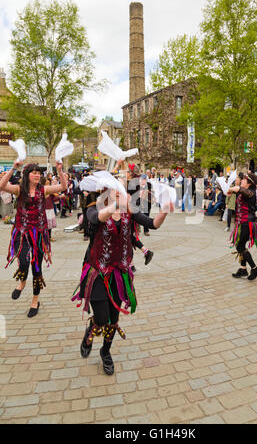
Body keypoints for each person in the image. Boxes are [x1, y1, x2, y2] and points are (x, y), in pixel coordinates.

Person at [72, 182, 173, 375]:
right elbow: (97, 218)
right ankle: (91, 330)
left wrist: (166, 210)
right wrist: (114, 205)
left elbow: (153, 224)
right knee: (101, 318)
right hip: (98, 273)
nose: (121, 193)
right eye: (116, 190)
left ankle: (105, 352)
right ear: (106, 192)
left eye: (122, 190)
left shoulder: (129, 211)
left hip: (119, 273)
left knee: (114, 318)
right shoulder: (95, 208)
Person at [0, 160, 67, 317]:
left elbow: (63, 187)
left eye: (39, 173)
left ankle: (35, 300)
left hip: (38, 234)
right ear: (27, 174)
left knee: (37, 268)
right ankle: (22, 282)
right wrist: (13, 168)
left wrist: (60, 170)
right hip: (21, 232)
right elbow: (2, 186)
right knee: (23, 261)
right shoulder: (19, 190)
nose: (37, 175)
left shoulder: (43, 190)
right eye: (34, 172)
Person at [228, 172, 257, 281]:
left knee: (240, 247)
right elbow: (235, 192)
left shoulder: (251, 193)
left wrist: (234, 188)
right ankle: (243, 269)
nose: (241, 180)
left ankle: (254, 268)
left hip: (247, 224)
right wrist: (230, 191)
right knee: (240, 245)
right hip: (241, 223)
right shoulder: (244, 192)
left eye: (243, 180)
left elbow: (241, 190)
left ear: (248, 183)